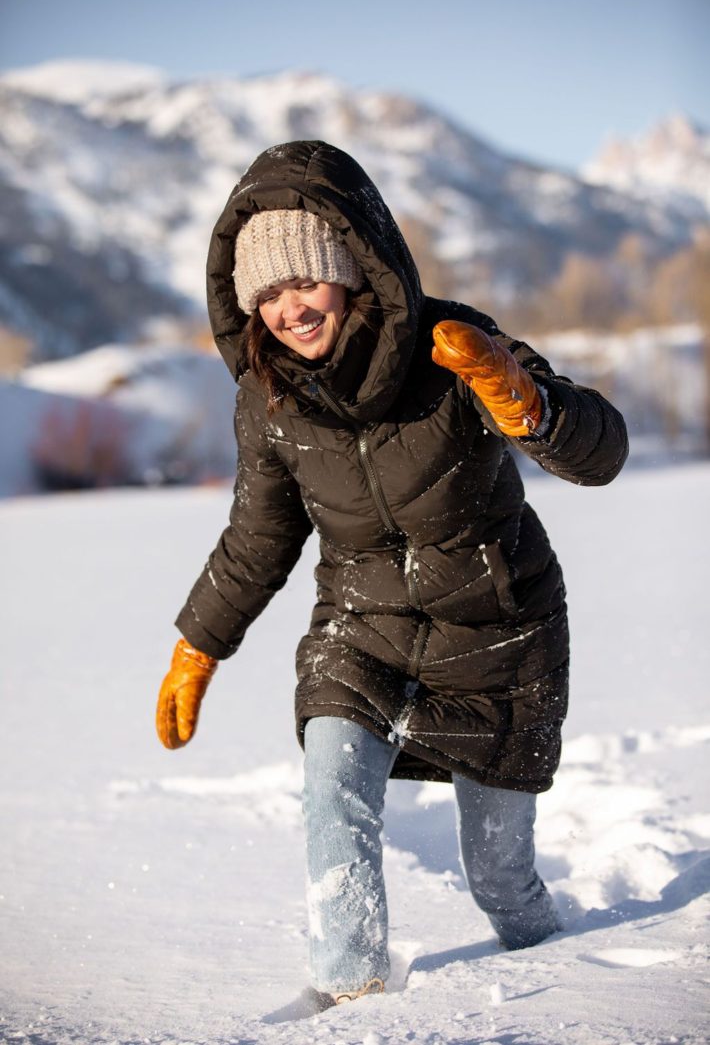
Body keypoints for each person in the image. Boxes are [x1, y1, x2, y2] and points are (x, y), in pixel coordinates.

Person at [155, 140, 628, 1012]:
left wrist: (527, 400)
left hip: (500, 637)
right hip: (359, 634)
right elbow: (259, 533)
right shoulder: (269, 396)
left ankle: (559, 971)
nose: (286, 309)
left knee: (502, 881)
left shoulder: (454, 346)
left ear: (350, 266)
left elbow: (602, 451)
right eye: (263, 293)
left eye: (301, 281)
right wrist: (199, 642)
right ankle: (352, 1000)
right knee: (333, 797)